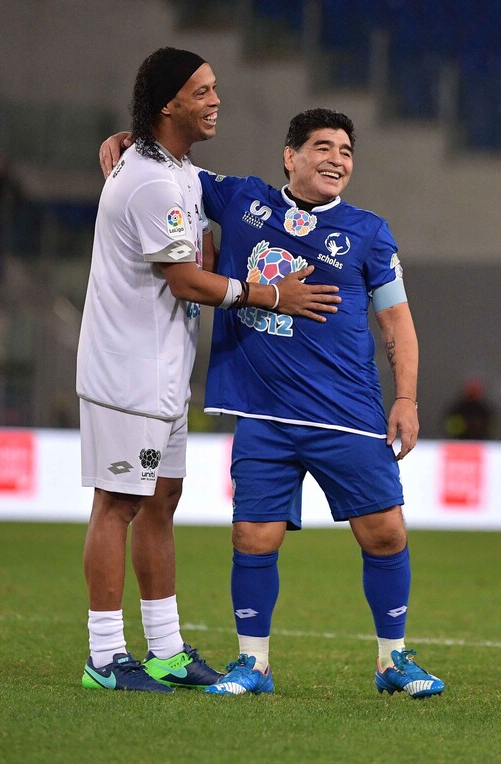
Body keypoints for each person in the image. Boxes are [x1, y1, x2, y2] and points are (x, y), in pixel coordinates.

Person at [99, 107, 445, 699]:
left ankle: (393, 659)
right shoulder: (241, 200)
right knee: (252, 537)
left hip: (348, 412)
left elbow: (397, 322)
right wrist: (132, 141)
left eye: (346, 151)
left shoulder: (369, 232)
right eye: (323, 147)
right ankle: (253, 665)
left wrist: (407, 398)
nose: (337, 159)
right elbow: (172, 169)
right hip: (264, 413)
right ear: (290, 156)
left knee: (386, 533)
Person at [77, 48, 340, 694]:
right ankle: (105, 657)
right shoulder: (154, 182)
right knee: (117, 504)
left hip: (164, 373)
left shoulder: (178, 172)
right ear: (169, 104)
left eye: (215, 88)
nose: (216, 100)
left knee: (161, 502)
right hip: (126, 372)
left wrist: (122, 137)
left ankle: (165, 651)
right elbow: (185, 280)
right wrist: (270, 295)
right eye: (202, 91)